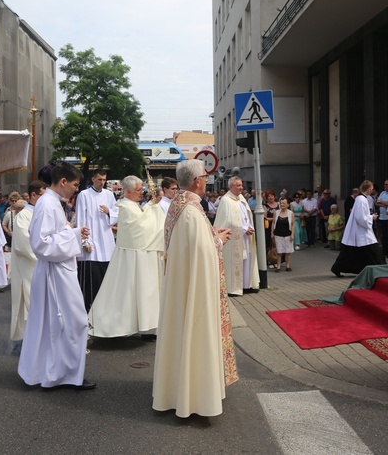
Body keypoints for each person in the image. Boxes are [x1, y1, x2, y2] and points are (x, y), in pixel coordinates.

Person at [152, 159, 237, 417]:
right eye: (205, 176)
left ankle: (176, 390)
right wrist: (219, 241)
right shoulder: (191, 209)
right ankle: (195, 397)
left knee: (179, 333)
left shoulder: (180, 206)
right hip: (194, 288)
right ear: (197, 180)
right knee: (195, 331)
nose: (207, 181)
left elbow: (193, 244)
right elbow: (203, 253)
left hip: (180, 284)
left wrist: (211, 236)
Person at [18, 163, 96, 391]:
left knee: (64, 323)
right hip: (55, 273)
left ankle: (62, 372)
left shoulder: (52, 203)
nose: (76, 189)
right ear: (63, 182)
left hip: (60, 269)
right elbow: (41, 244)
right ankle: (62, 374)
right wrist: (73, 235)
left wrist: (73, 233)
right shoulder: (47, 204)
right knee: (71, 322)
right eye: (74, 185)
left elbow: (53, 236)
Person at [88, 175, 165, 338]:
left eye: (141, 189)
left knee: (140, 293)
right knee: (126, 294)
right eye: (138, 190)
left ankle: (145, 327)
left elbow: (145, 223)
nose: (141, 193)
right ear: (128, 192)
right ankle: (113, 327)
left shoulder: (134, 205)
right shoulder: (126, 207)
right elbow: (141, 229)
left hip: (141, 256)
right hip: (131, 257)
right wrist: (154, 207)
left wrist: (152, 207)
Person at [10, 180, 46, 353]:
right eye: (42, 195)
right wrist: (47, 253)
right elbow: (24, 243)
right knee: (30, 304)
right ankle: (27, 343)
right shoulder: (23, 216)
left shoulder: (45, 213)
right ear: (33, 195)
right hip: (30, 266)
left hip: (46, 266)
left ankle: (42, 340)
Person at [74, 169, 118, 311]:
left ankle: (103, 311)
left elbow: (116, 216)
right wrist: (85, 241)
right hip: (91, 243)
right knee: (90, 281)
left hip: (106, 242)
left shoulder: (109, 195)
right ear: (93, 179)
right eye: (99, 179)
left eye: (104, 180)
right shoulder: (84, 195)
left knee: (105, 278)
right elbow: (80, 219)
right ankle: (87, 310)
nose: (102, 183)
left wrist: (109, 212)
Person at [214, 177, 259, 296]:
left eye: (242, 185)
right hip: (234, 237)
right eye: (238, 185)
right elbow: (228, 221)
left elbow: (246, 216)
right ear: (231, 187)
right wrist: (244, 229)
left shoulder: (241, 199)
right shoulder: (226, 200)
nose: (241, 188)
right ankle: (233, 288)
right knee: (236, 261)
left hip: (245, 236)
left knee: (247, 260)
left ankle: (246, 285)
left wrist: (249, 226)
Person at [331, 180, 385, 277]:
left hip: (359, 230)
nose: (372, 190)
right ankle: (381, 268)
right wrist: (371, 217)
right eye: (371, 189)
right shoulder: (361, 199)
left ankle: (338, 268)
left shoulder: (362, 199)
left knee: (352, 251)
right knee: (374, 250)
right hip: (360, 230)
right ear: (368, 189)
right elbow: (360, 217)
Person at [270, 197, 294, 272]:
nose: (282, 204)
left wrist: (292, 234)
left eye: (284, 203)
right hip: (278, 234)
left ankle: (287, 266)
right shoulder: (276, 213)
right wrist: (272, 233)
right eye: (281, 203)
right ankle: (278, 267)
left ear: (287, 204)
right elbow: (273, 223)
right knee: (279, 252)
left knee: (287, 252)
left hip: (287, 234)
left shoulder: (291, 213)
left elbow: (293, 224)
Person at [376, 179, 388, 258]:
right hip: (382, 216)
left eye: (387, 184)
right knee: (383, 235)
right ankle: (384, 251)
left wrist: (382, 202)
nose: (385, 186)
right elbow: (377, 203)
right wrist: (385, 204)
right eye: (384, 184)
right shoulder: (382, 193)